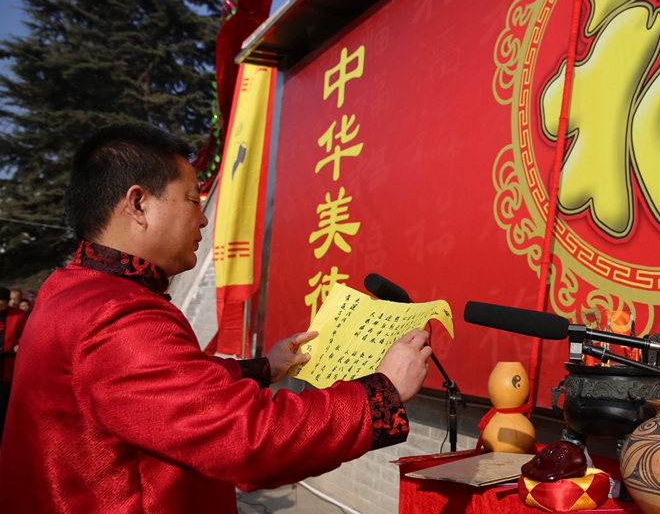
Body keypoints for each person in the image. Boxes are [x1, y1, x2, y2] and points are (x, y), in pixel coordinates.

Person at [0, 124, 432, 513]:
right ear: (138, 204)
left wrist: (265, 368)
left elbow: (175, 384)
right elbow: (250, 440)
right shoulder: (117, 316)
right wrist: (381, 392)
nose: (204, 218)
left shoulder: (72, 289)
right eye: (193, 200)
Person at [0, 286, 26, 443]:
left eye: (4, 303)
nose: (2, 306)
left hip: (8, 363)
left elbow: (24, 335)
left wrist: (18, 344)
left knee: (5, 400)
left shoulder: (18, 315)